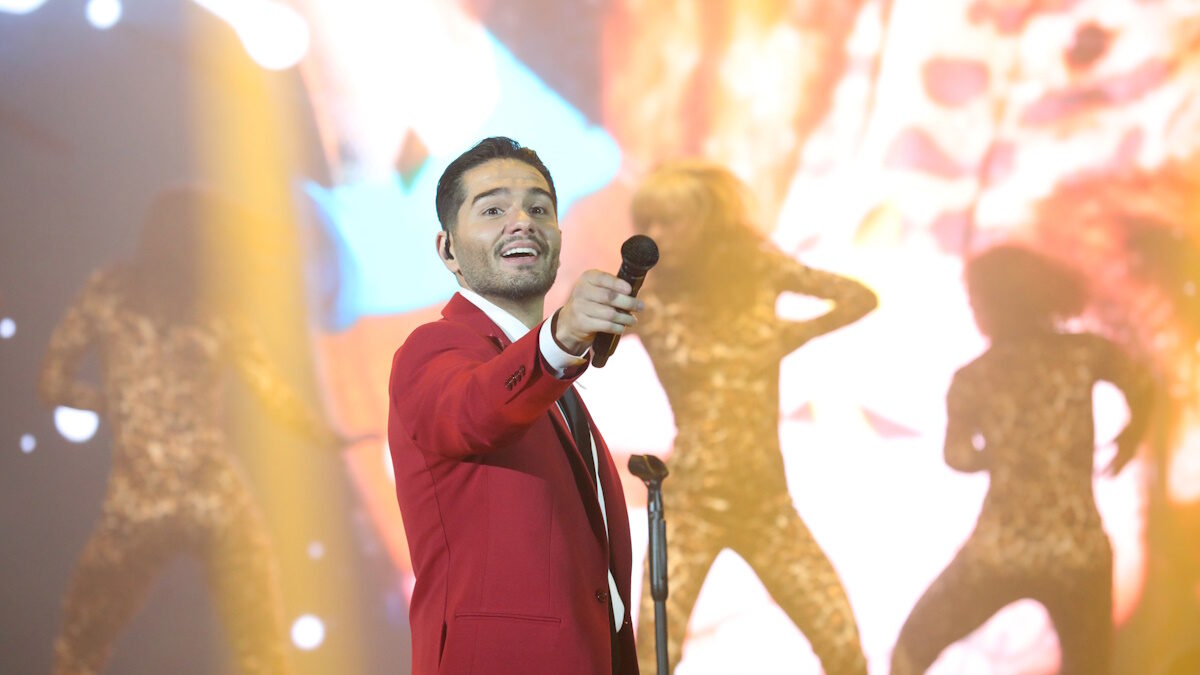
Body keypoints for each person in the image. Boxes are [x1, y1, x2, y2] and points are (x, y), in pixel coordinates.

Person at [38, 188, 344, 674]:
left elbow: (52, 383)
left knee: (76, 651)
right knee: (263, 654)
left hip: (138, 504)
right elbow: (273, 393)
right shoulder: (217, 306)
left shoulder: (109, 292)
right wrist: (331, 436)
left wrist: (113, 405)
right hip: (215, 500)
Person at [387, 137, 641, 675]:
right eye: (493, 210)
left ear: (558, 239)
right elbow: (472, 412)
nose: (522, 222)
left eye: (539, 209)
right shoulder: (433, 350)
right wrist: (561, 337)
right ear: (448, 250)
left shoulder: (557, 385)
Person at [629, 161, 876, 674]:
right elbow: (569, 348)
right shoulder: (646, 299)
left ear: (706, 222)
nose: (655, 235)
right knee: (652, 658)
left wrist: (791, 336)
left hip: (766, 504)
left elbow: (859, 297)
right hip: (689, 503)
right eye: (647, 222)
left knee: (843, 646)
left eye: (669, 221)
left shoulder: (756, 272)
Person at [890, 245, 1155, 675]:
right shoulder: (1086, 353)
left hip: (1000, 552)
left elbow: (957, 457)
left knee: (912, 649)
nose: (973, 310)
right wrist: (1131, 436)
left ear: (997, 303)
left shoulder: (973, 379)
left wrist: (997, 455)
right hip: (1078, 551)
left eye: (975, 301)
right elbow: (1142, 385)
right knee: (1089, 668)